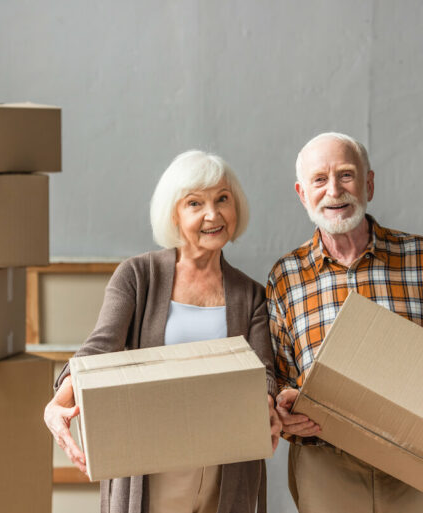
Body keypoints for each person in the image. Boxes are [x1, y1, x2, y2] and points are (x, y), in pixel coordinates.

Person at [267, 132, 423, 513]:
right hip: (327, 465)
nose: (334, 190)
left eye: (347, 175)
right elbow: (282, 375)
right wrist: (284, 409)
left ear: (369, 182)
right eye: (319, 180)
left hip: (417, 462)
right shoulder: (286, 276)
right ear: (303, 193)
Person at [44, 150, 281, 513]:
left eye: (222, 199)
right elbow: (100, 348)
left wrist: (268, 406)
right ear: (174, 213)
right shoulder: (138, 276)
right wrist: (58, 403)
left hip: (225, 466)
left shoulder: (251, 295)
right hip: (151, 463)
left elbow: (264, 372)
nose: (212, 214)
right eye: (194, 203)